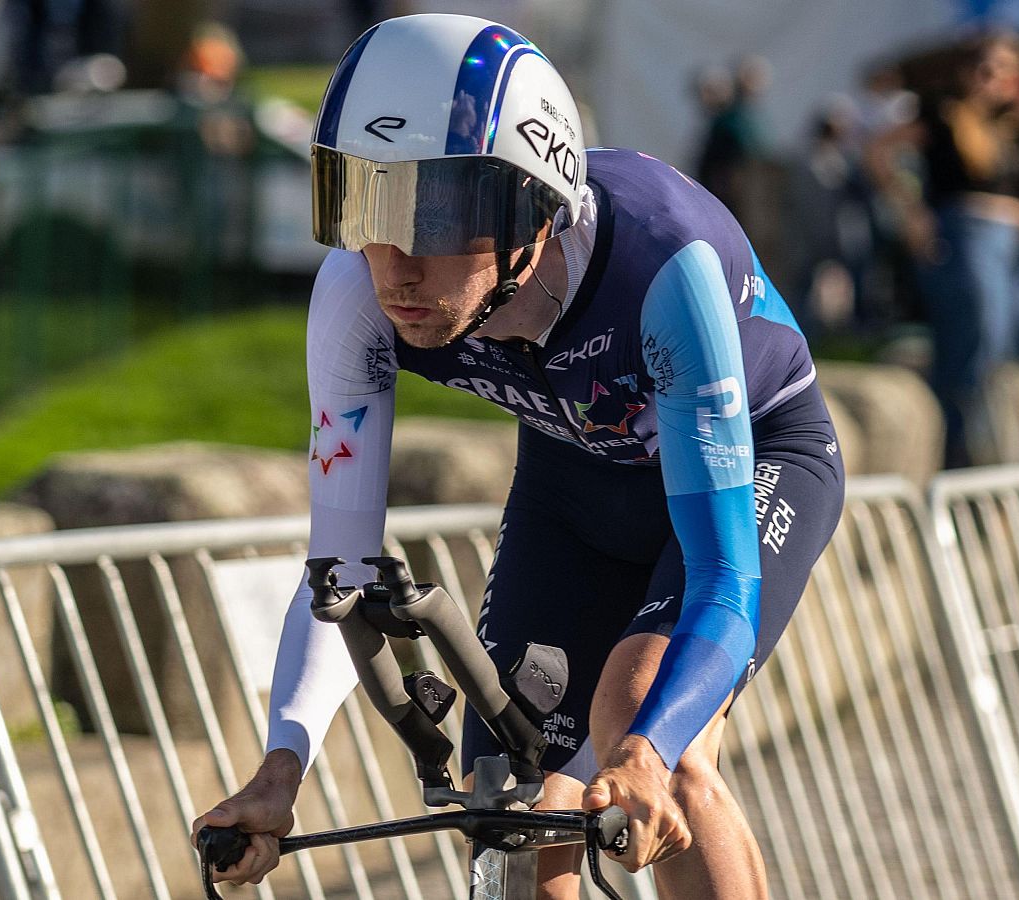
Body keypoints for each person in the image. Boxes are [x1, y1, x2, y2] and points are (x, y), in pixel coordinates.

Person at [190, 14, 845, 898]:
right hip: (575, 475)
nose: (395, 269)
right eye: (363, 206)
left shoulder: (661, 265)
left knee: (642, 722)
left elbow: (725, 581)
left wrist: (646, 755)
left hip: (759, 455)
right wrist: (280, 772)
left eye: (434, 218)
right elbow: (339, 568)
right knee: (513, 803)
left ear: (534, 209)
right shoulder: (356, 294)